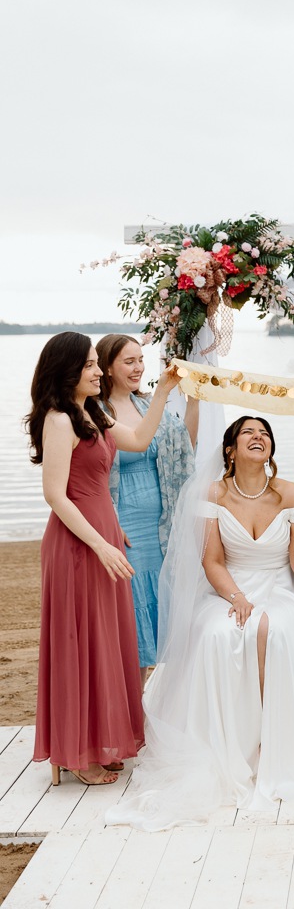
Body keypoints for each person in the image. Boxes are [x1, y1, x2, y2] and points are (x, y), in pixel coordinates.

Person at [106, 415, 294, 829]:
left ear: (271, 448)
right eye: (248, 432)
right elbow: (211, 560)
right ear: (230, 449)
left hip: (284, 588)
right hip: (228, 587)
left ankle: (275, 745)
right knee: (219, 631)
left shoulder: (291, 494)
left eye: (265, 433)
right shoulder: (212, 493)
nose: (259, 437)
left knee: (274, 629)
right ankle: (229, 746)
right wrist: (236, 597)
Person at [26, 332, 180, 787]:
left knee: (107, 642)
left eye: (98, 364)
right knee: (81, 643)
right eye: (91, 365)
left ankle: (97, 741)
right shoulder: (58, 421)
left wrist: (166, 391)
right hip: (78, 544)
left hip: (105, 537)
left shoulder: (92, 413)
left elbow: (137, 440)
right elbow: (56, 495)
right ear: (68, 370)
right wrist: (100, 543)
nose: (99, 372)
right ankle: (75, 753)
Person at [96, 334, 198, 688]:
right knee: (131, 614)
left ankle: (159, 706)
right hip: (122, 521)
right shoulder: (97, 411)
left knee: (161, 614)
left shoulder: (145, 407)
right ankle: (131, 708)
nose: (138, 367)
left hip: (161, 523)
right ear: (107, 367)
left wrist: (195, 401)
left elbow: (184, 444)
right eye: (129, 361)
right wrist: (107, 518)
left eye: (141, 359)